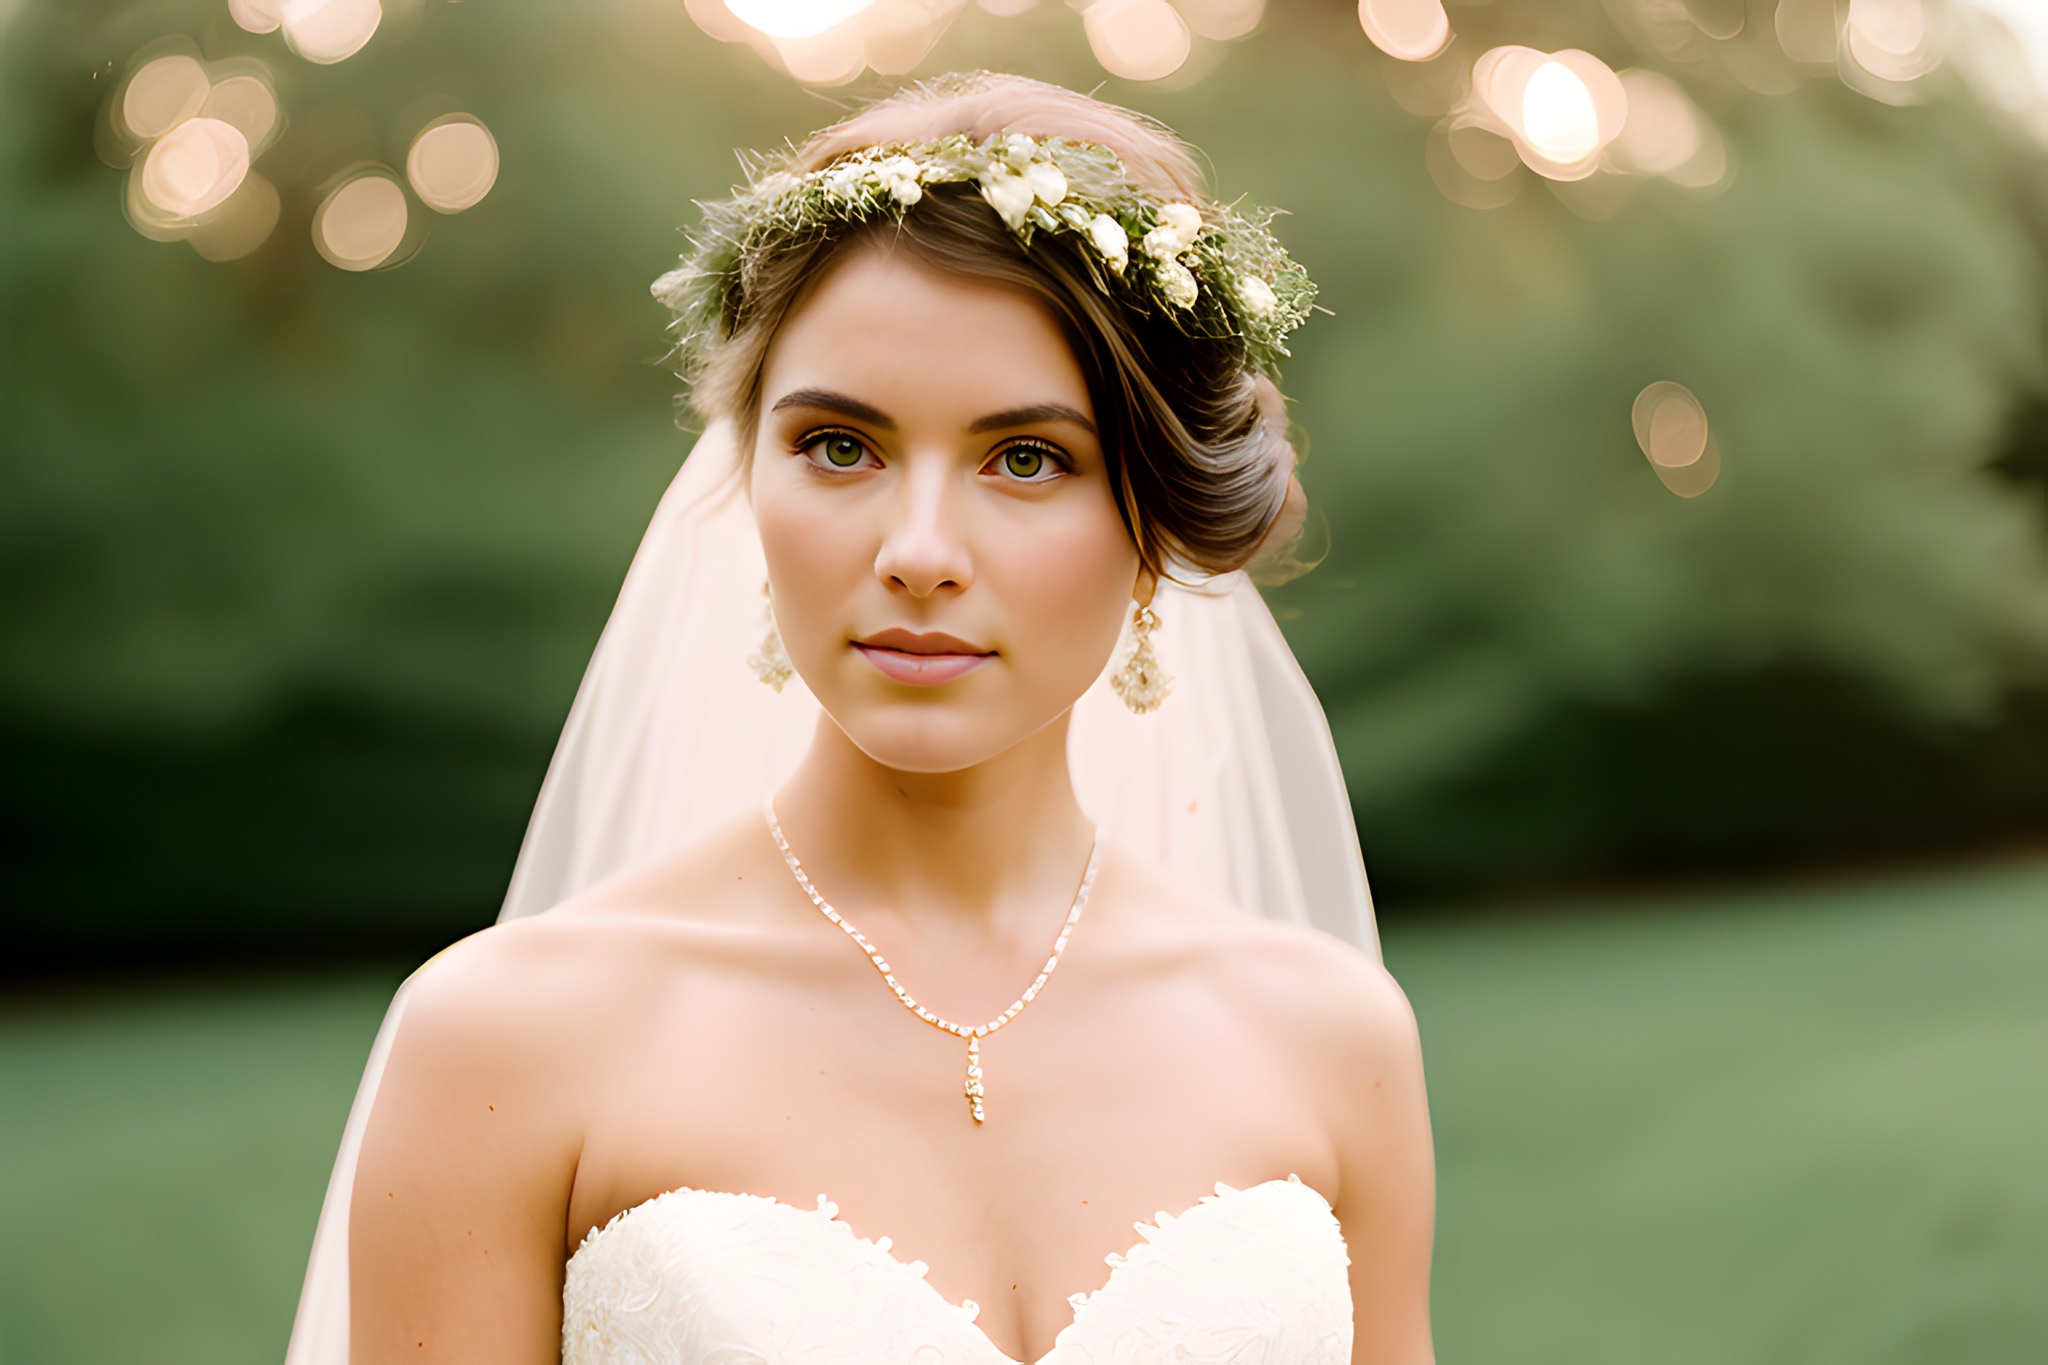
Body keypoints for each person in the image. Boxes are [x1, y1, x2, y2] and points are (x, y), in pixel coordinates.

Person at [287, 71, 1435, 1364]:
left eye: (1027, 457)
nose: (919, 549)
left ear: (1155, 521)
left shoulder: (1335, 1039)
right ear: (748, 473)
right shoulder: (499, 1043)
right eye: (842, 444)